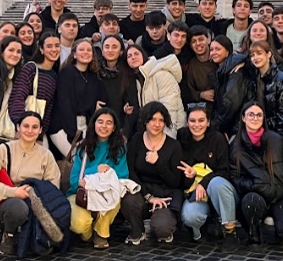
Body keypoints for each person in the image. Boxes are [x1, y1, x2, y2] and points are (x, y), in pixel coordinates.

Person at [0, 112, 61, 255]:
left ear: (40, 130)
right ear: (18, 127)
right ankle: (9, 235)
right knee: (18, 208)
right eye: (26, 126)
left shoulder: (46, 155)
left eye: (34, 127)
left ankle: (36, 238)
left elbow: (53, 184)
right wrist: (14, 192)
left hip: (36, 199)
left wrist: (36, 193)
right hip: (8, 199)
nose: (30, 131)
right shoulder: (4, 150)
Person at [229, 101, 283, 244]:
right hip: (256, 193)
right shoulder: (236, 145)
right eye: (251, 115)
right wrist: (253, 185)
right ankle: (253, 230)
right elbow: (234, 176)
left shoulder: (276, 140)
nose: (255, 118)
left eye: (259, 115)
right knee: (251, 203)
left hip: (279, 191)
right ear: (243, 118)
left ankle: (279, 229)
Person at [122, 102, 184, 244]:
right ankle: (137, 231)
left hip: (165, 196)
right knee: (128, 201)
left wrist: (158, 163)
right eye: (152, 119)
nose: (157, 124)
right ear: (145, 121)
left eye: (161, 120)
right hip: (142, 193)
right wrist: (148, 197)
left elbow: (175, 181)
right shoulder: (136, 140)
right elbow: (130, 171)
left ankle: (165, 226)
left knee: (162, 229)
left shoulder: (173, 146)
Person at [67, 109, 129, 249]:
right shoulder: (84, 147)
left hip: (106, 193)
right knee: (80, 224)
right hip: (82, 194)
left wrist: (101, 182)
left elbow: (122, 177)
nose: (104, 126)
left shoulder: (119, 148)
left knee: (115, 196)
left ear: (114, 128)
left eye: (109, 123)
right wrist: (95, 170)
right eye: (100, 122)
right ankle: (88, 233)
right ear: (93, 124)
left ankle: (101, 232)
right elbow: (75, 180)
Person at [177, 104, 237, 247]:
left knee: (217, 184)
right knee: (190, 216)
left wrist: (203, 183)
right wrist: (189, 177)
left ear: (208, 122)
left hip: (218, 189)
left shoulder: (217, 139)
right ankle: (198, 231)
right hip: (195, 194)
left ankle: (230, 231)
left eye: (201, 120)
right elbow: (179, 179)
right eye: (192, 121)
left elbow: (224, 171)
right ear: (187, 122)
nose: (196, 125)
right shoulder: (182, 139)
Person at [50, 40, 107, 156]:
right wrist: (73, 136)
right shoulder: (67, 73)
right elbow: (65, 105)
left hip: (84, 125)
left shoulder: (93, 77)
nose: (85, 52)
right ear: (74, 54)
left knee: (88, 161)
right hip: (63, 127)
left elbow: (101, 101)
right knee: (78, 160)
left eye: (88, 50)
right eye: (81, 49)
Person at [8, 31, 61, 134]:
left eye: (57, 46)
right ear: (41, 49)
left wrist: (41, 134)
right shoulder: (31, 68)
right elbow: (17, 97)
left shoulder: (54, 75)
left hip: (37, 130)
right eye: (49, 46)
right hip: (22, 128)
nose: (54, 49)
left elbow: (47, 109)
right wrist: (20, 125)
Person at [128, 45, 185, 136]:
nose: (133, 57)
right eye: (129, 56)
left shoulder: (162, 74)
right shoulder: (138, 80)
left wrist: (167, 141)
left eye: (136, 54)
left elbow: (170, 110)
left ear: (143, 55)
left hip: (173, 132)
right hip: (153, 133)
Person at [246, 40, 283, 136]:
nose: (255, 58)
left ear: (269, 54)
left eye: (259, 53)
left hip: (275, 134)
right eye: (252, 55)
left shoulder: (282, 79)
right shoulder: (253, 79)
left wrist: (280, 138)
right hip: (258, 130)